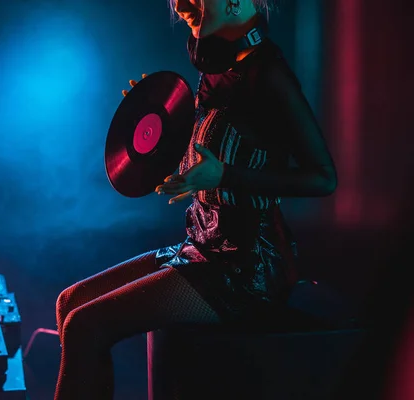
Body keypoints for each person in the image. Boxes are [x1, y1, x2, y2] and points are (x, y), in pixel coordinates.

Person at [54, 0, 337, 398]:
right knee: (70, 304)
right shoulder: (217, 68)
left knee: (86, 325)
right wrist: (151, 118)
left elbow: (323, 178)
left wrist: (225, 176)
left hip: (246, 269)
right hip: (202, 246)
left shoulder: (269, 73)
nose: (179, 3)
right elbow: (212, 147)